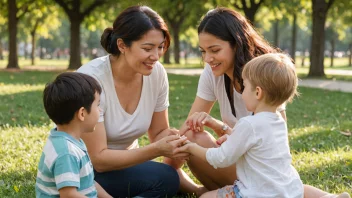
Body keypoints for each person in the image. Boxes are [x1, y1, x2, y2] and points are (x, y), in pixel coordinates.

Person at [179, 7, 350, 198]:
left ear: (236, 43)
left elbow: (231, 153)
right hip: (266, 172)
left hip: (257, 171)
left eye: (215, 50)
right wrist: (220, 128)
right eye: (203, 51)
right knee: (283, 186)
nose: (207, 59)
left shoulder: (263, 74)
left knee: (266, 185)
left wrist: (203, 145)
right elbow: (191, 128)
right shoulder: (216, 76)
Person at [77, 5, 202, 197]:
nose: (156, 56)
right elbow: (98, 159)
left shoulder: (156, 73)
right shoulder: (91, 80)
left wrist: (178, 140)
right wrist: (155, 150)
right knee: (166, 178)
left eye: (160, 47)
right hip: (86, 170)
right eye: (147, 48)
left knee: (167, 178)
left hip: (127, 165)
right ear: (122, 45)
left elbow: (159, 132)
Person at [176, 53, 304, 198]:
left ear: (257, 92)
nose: (242, 93)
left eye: (245, 86)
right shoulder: (278, 122)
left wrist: (191, 147)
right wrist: (222, 128)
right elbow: (252, 141)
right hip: (289, 192)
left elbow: (221, 158)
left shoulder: (249, 124)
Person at [36, 72, 112, 198]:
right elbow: (69, 195)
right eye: (97, 105)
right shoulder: (67, 152)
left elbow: (88, 183)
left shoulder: (71, 141)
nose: (100, 110)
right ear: (82, 113)